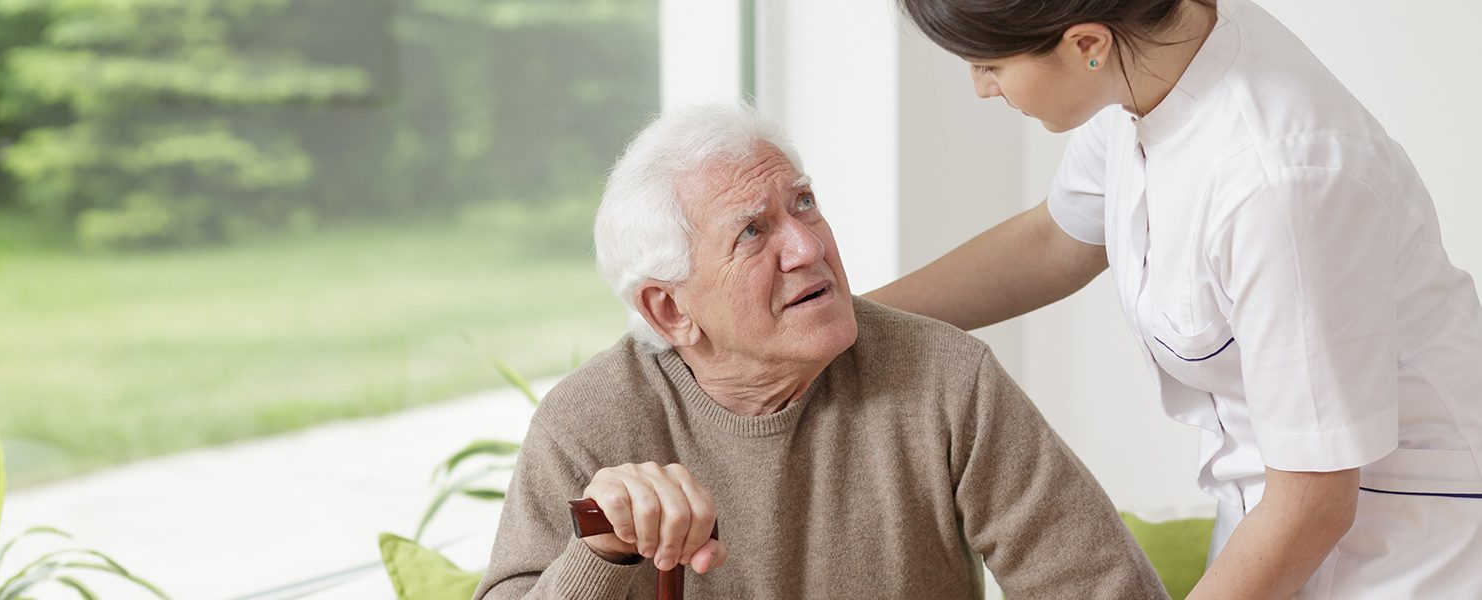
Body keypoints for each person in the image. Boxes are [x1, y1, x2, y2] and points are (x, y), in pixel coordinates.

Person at [870, 0, 1482, 597]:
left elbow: (1313, 503)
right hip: (1271, 519)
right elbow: (1056, 239)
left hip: (1412, 551)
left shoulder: (1276, 180)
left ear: (1086, 44)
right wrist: (851, 323)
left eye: (989, 65)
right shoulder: (1147, 61)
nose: (980, 88)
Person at [474, 103, 1168, 599]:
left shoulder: (947, 380)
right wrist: (602, 547)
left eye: (803, 204)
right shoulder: (588, 422)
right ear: (669, 308)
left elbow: (1102, 586)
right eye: (752, 232)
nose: (808, 248)